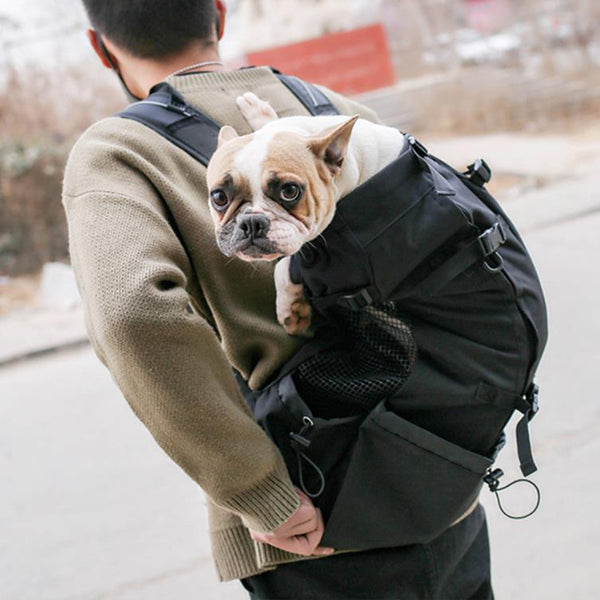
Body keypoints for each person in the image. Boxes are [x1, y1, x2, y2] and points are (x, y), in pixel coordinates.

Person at [63, 1, 494, 598]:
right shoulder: (332, 111)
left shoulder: (118, 151)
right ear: (217, 14)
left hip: (309, 515)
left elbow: (132, 312)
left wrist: (255, 488)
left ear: (99, 47)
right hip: (437, 469)